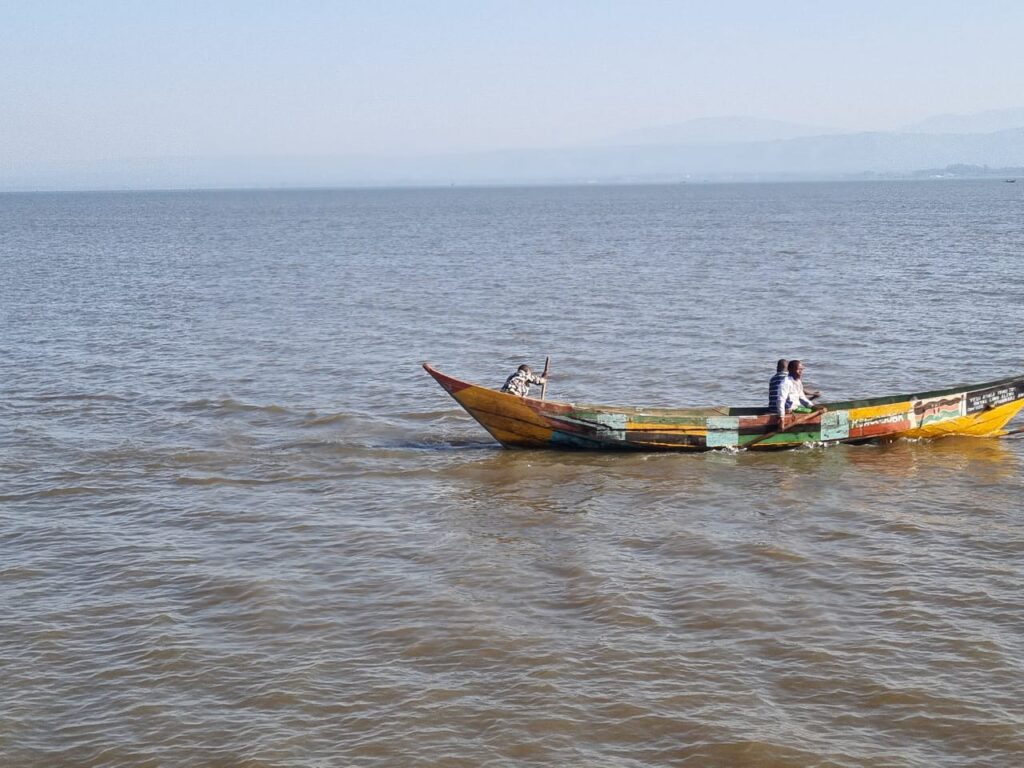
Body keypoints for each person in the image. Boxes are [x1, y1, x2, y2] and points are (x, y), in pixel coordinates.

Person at [776, 359, 826, 428]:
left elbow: (802, 398)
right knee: (810, 412)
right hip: (791, 409)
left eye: (801, 370)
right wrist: (782, 418)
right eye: (798, 369)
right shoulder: (786, 383)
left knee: (814, 409)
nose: (801, 372)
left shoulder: (798, 381)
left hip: (797, 407)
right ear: (791, 370)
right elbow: (781, 400)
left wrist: (813, 406)